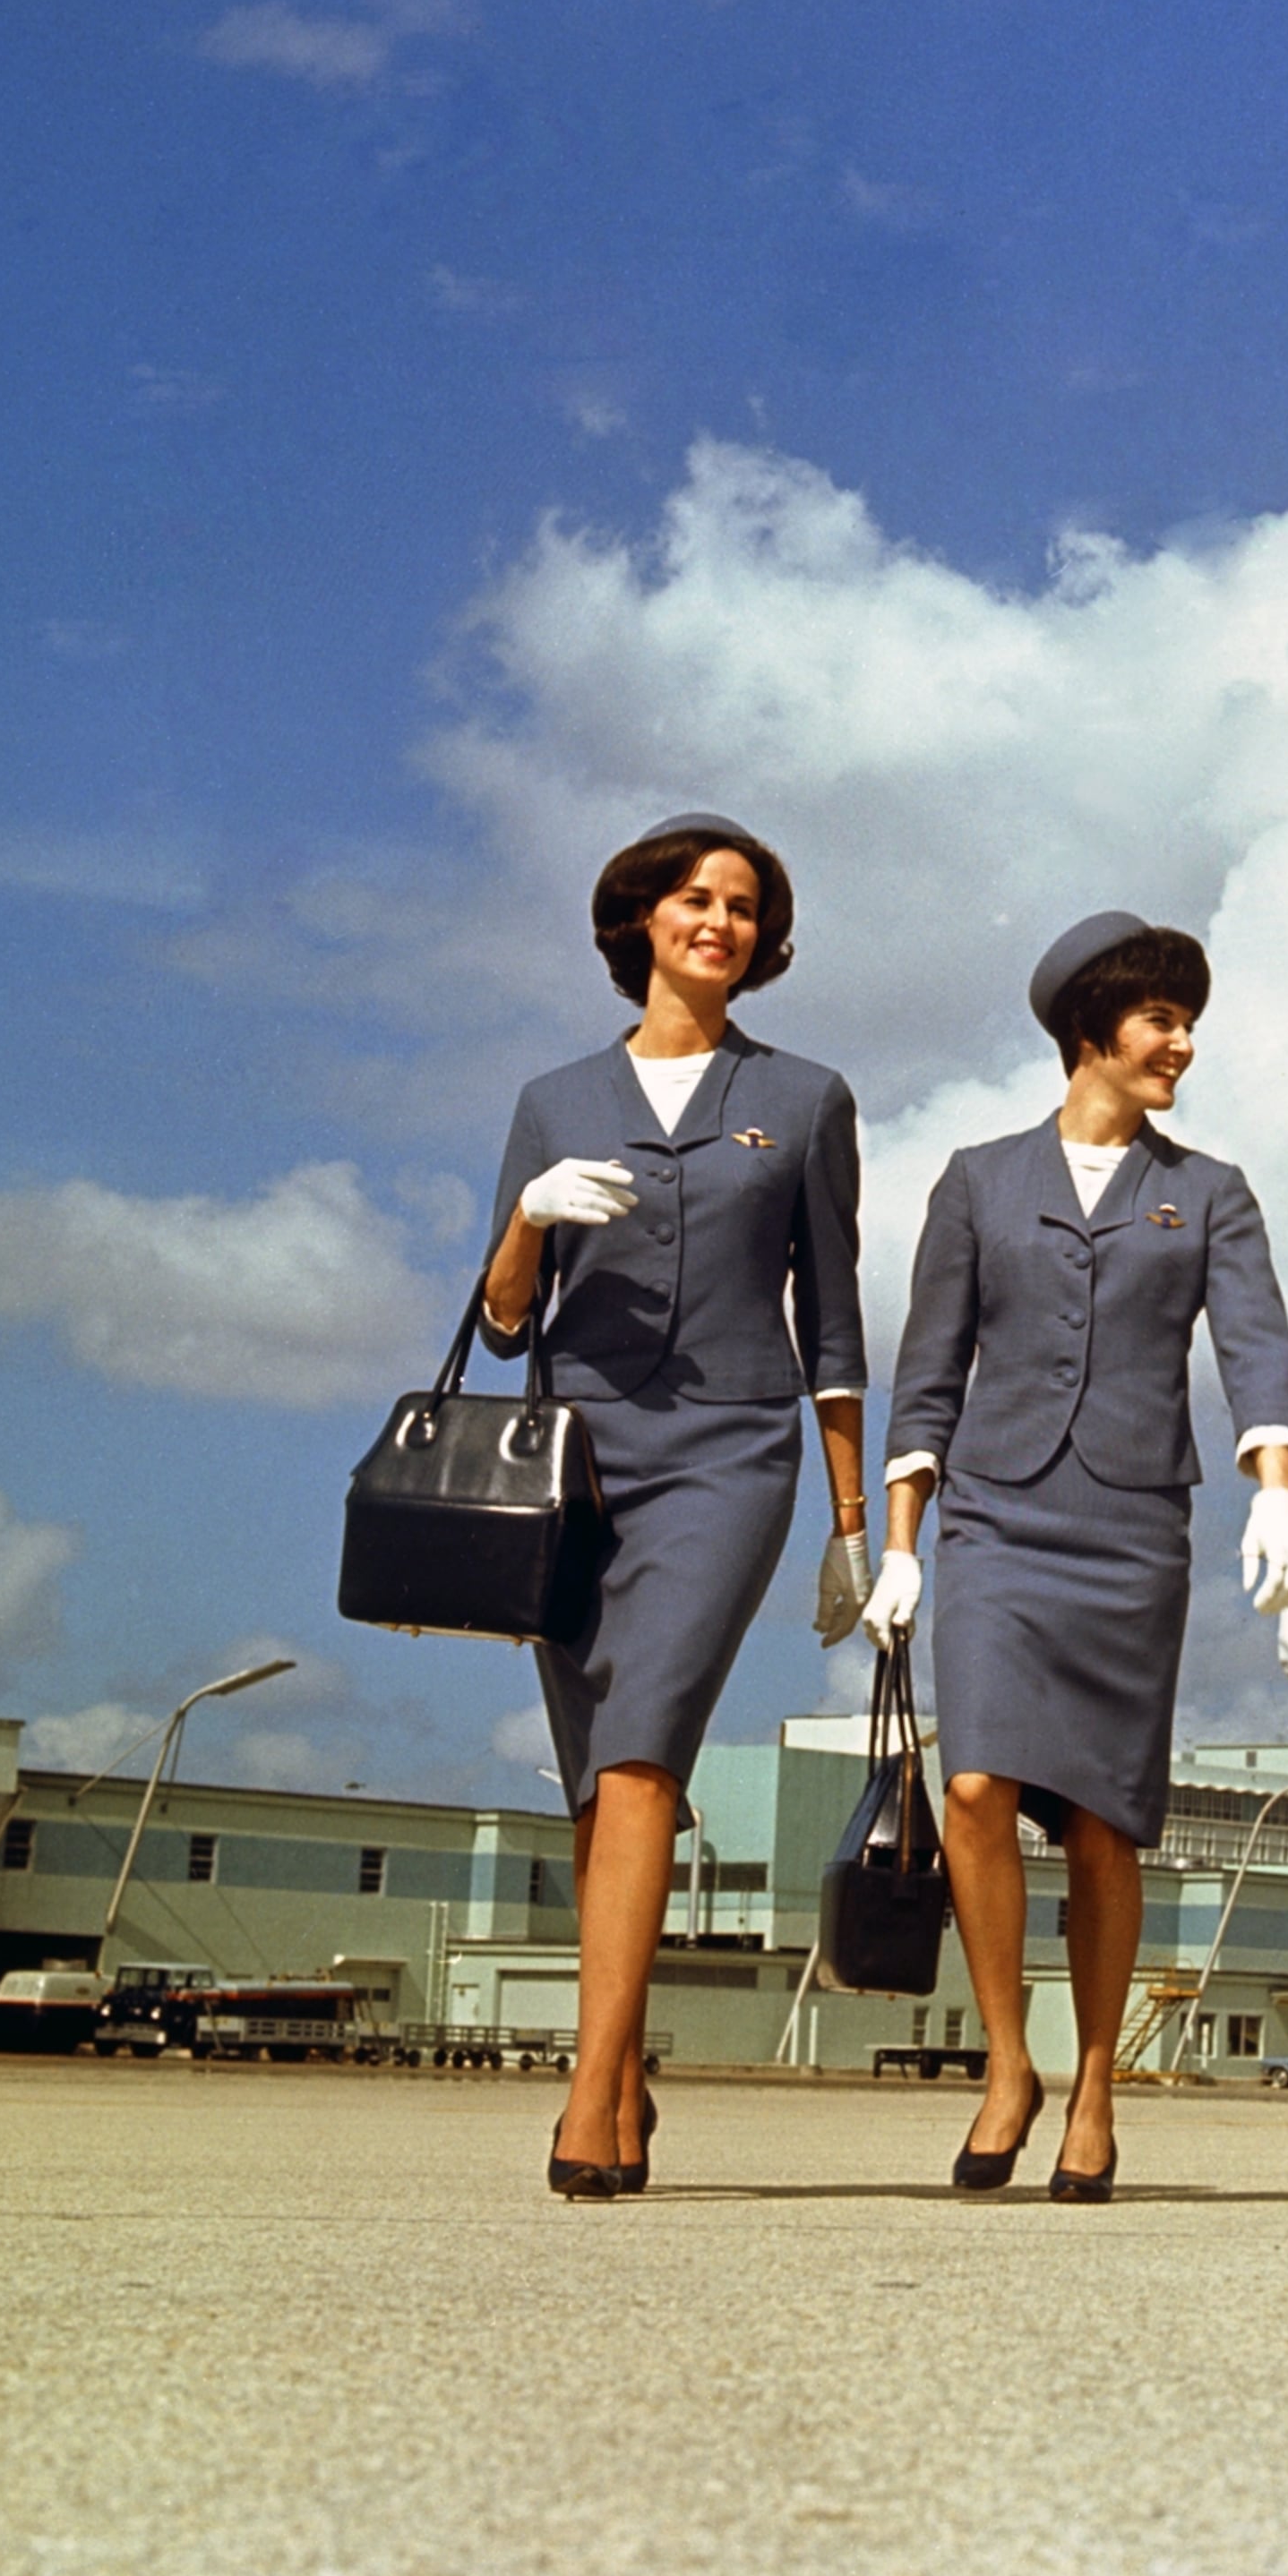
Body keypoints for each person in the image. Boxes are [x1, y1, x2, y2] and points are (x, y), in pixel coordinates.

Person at [864, 913, 1288, 2204]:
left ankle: (1098, 2082)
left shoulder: (1210, 1189)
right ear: (1090, 1030)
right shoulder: (977, 1179)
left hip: (1130, 1529)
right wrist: (902, 1543)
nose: (1182, 1044)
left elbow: (1258, 1348)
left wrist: (1277, 1492)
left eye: (1189, 1023)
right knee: (974, 1786)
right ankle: (1009, 2063)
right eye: (1161, 1020)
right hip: (997, 1516)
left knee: (1109, 1823)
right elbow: (928, 1366)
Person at [478, 816, 866, 2200]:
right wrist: (528, 1215)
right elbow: (504, 1320)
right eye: (695, 897)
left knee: (644, 1748)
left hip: (728, 1452)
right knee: (596, 1778)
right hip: (574, 1460)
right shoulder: (553, 1098)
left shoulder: (805, 1097)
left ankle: (589, 2097)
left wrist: (851, 1524)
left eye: (744, 906)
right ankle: (624, 2066)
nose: (720, 921)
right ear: (641, 917)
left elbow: (834, 1320)